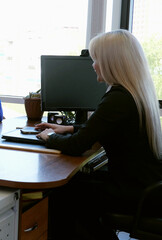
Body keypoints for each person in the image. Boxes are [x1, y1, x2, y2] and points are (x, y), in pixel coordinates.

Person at [35, 30, 162, 239]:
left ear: (112, 62)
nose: (93, 65)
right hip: (148, 185)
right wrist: (68, 128)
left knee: (63, 192)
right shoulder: (135, 92)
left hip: (134, 192)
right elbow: (107, 128)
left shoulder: (117, 98)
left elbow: (77, 146)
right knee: (81, 183)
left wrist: (50, 136)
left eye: (97, 59)